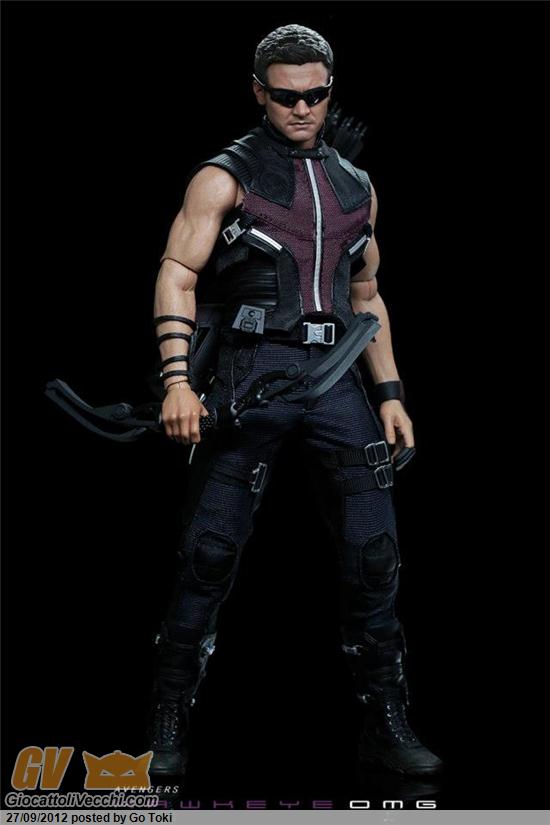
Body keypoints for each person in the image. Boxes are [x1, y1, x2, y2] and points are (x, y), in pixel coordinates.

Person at [146, 24, 443, 779]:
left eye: (315, 95)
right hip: (253, 373)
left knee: (375, 557)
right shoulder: (226, 177)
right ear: (259, 92)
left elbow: (366, 292)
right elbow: (178, 271)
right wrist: (177, 380)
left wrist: (391, 392)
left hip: (337, 377)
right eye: (285, 96)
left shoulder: (355, 185)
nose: (302, 109)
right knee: (208, 553)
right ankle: (168, 717)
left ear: (330, 91)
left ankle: (387, 722)